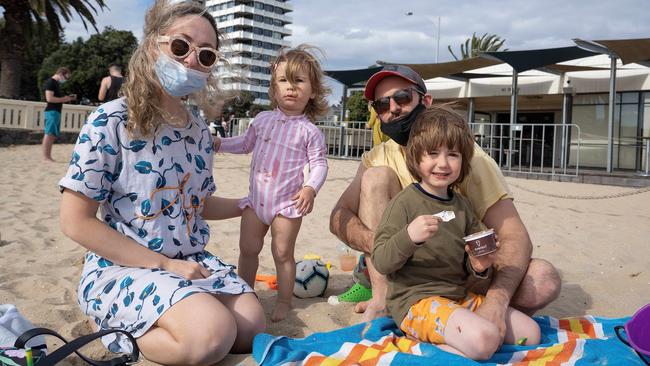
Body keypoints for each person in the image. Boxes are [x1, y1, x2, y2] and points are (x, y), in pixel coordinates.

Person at [58, 1, 265, 364]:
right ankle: (107, 321)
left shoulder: (199, 130)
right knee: (211, 335)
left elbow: (192, 204)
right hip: (125, 265)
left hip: (189, 260)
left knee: (250, 326)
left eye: (206, 55)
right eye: (182, 46)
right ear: (154, 44)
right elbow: (75, 220)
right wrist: (165, 266)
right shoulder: (111, 120)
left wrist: (245, 204)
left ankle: (168, 316)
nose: (191, 61)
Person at [329, 65, 561, 337]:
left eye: (403, 97)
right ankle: (382, 300)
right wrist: (389, 245)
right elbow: (339, 217)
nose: (393, 108)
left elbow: (515, 236)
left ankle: (466, 313)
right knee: (376, 177)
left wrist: (496, 301)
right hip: (403, 275)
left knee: (543, 280)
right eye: (382, 104)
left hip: (461, 273)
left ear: (425, 101)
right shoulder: (378, 156)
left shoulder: (468, 159)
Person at [372, 106, 540, 360]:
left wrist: (480, 267)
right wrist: (409, 236)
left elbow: (474, 272)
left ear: (463, 160)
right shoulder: (404, 203)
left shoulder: (461, 206)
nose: (443, 163)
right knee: (486, 339)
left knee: (531, 332)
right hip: (416, 302)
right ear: (416, 157)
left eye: (453, 154)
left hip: (458, 296)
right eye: (432, 154)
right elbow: (381, 260)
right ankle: (435, 348)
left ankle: (458, 344)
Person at [213, 45, 330, 322]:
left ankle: (285, 300)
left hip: (287, 204)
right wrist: (219, 143)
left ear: (312, 90)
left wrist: (310, 188)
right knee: (248, 249)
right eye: (283, 81)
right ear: (273, 88)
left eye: (299, 81)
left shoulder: (309, 131)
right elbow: (244, 144)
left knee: (282, 253)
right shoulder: (262, 120)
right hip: (257, 201)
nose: (290, 88)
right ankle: (244, 293)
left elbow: (320, 164)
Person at [42, 67, 76, 161]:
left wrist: (67, 98)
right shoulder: (51, 82)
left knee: (52, 134)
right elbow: (49, 98)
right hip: (51, 111)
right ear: (61, 74)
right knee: (49, 133)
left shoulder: (55, 83)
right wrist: (64, 99)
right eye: (66, 77)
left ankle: (48, 156)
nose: (66, 80)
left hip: (55, 111)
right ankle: (46, 157)